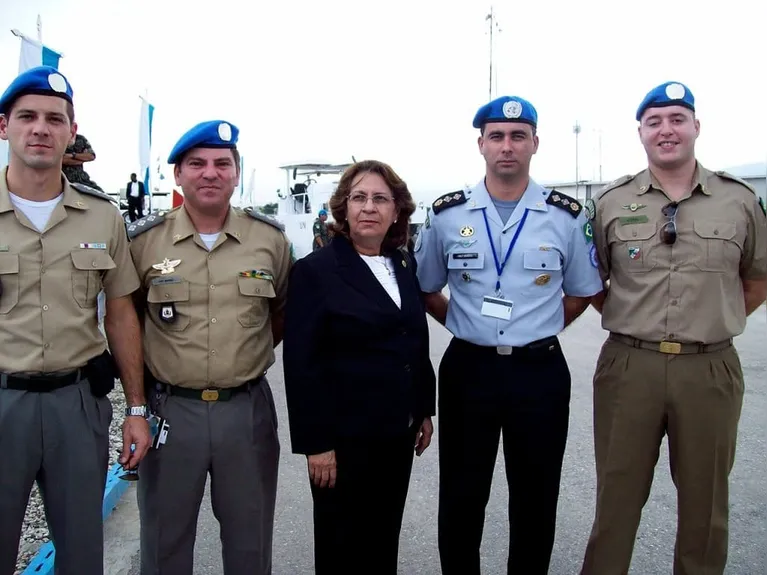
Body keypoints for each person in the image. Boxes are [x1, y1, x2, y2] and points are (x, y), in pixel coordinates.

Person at [581, 82, 767, 575]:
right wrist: (633, 320)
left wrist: (713, 319)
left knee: (706, 505)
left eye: (677, 119)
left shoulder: (739, 200)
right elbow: (592, 280)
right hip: (629, 366)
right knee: (616, 497)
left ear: (696, 127)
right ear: (641, 132)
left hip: (709, 367)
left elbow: (756, 279)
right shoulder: (611, 201)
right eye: (655, 122)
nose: (667, 130)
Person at [414, 95, 603, 574]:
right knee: (461, 494)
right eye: (496, 136)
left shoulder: (566, 215)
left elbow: (582, 291)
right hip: (469, 370)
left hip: (539, 371)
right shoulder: (447, 214)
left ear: (535, 143)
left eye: (518, 136)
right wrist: (465, 324)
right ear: (480, 144)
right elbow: (425, 288)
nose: (507, 146)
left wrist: (537, 327)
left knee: (536, 496)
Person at [0, 66, 150, 575]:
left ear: (71, 131)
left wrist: (136, 407)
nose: (40, 128)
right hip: (3, 402)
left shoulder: (102, 216)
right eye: (27, 117)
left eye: (54, 119)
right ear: (5, 127)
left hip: (77, 406)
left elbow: (121, 313)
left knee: (82, 551)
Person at [127, 120, 292, 575]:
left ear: (236, 173)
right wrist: (137, 405)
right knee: (164, 541)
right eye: (197, 163)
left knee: (249, 542)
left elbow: (281, 313)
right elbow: (127, 318)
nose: (210, 173)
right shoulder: (144, 241)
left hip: (246, 410)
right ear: (178, 174)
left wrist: (241, 355)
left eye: (222, 163)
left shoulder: (269, 240)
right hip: (171, 410)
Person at [283, 159, 436, 574]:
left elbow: (414, 341)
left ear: (397, 211)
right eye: (359, 197)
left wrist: (423, 408)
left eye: (380, 199)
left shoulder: (402, 264)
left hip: (396, 436)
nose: (369, 207)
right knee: (342, 550)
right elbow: (301, 364)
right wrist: (316, 444)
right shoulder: (315, 271)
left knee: (383, 543)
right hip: (343, 443)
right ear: (344, 207)